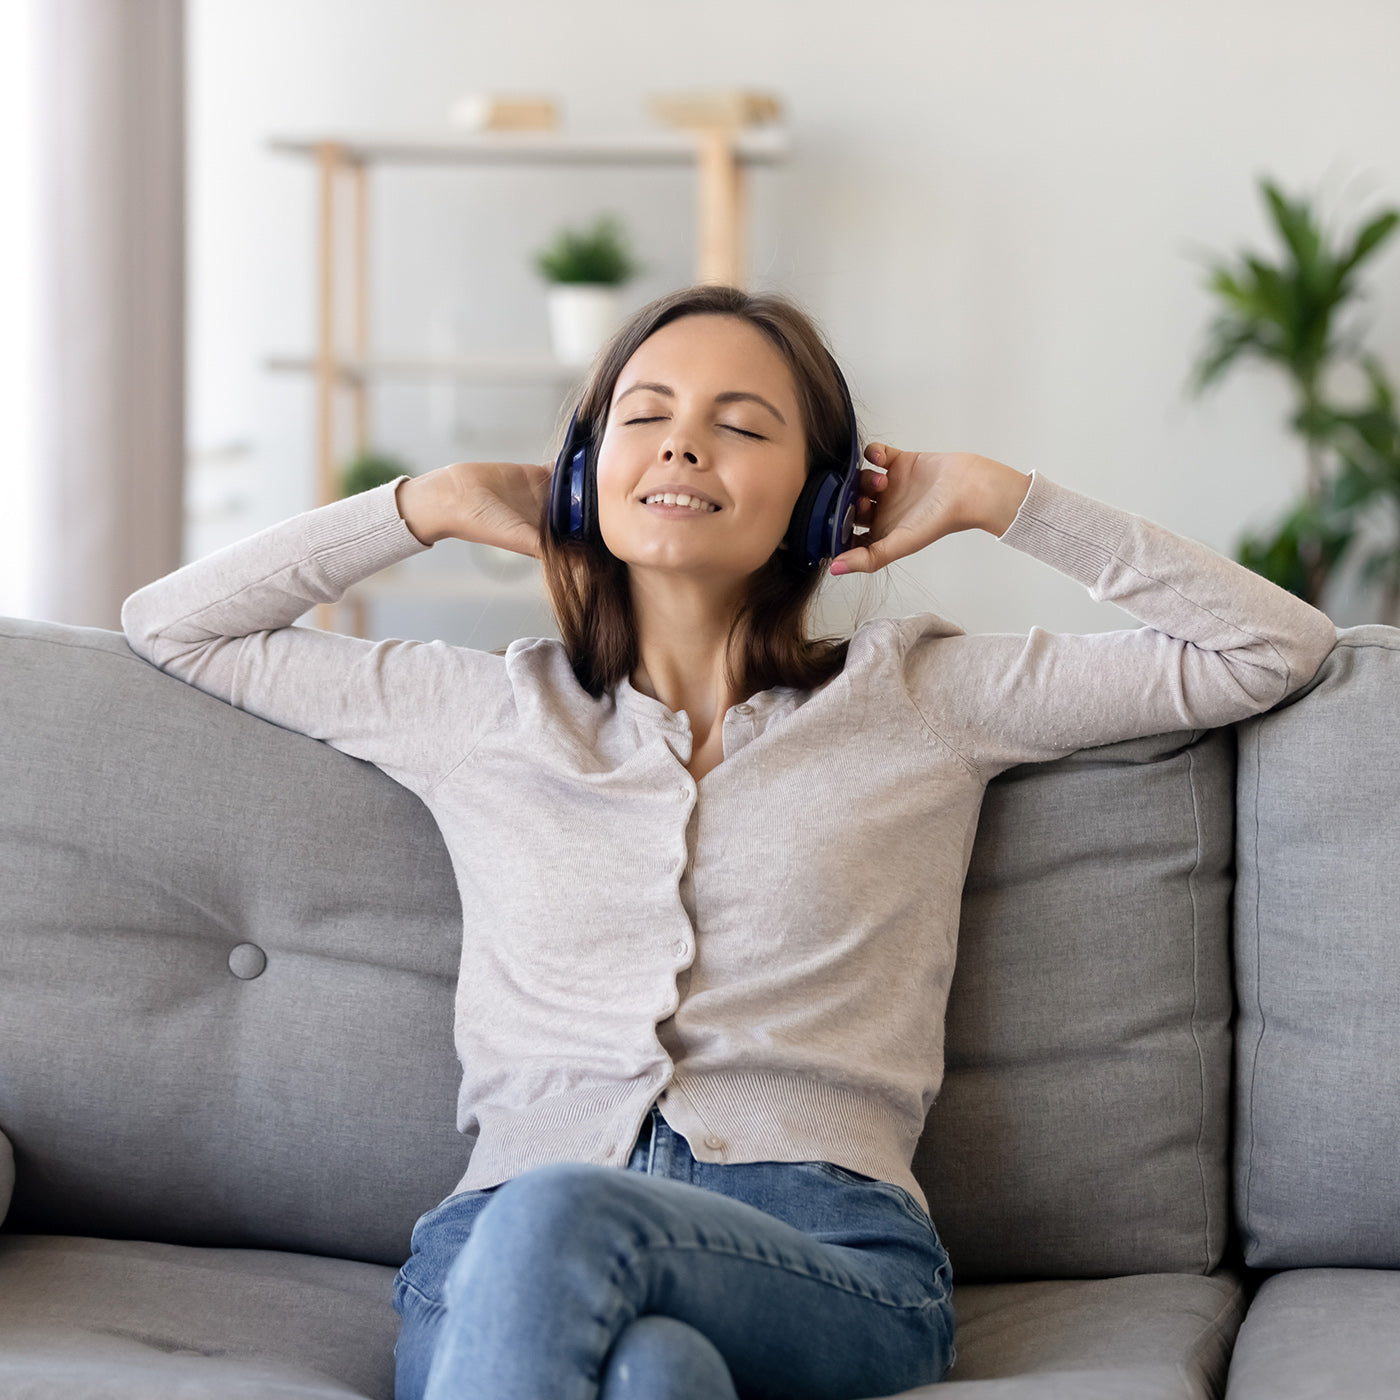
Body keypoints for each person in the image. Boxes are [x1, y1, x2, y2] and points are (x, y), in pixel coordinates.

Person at [121, 282, 1339, 1400]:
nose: (683, 441)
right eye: (646, 414)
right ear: (584, 473)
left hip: (825, 1255)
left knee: (560, 1222)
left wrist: (991, 496)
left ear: (823, 491)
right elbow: (176, 628)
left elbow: (1267, 648)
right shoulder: (484, 711)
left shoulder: (921, 693)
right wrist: (424, 505)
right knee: (656, 1371)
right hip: (491, 1258)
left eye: (741, 424)